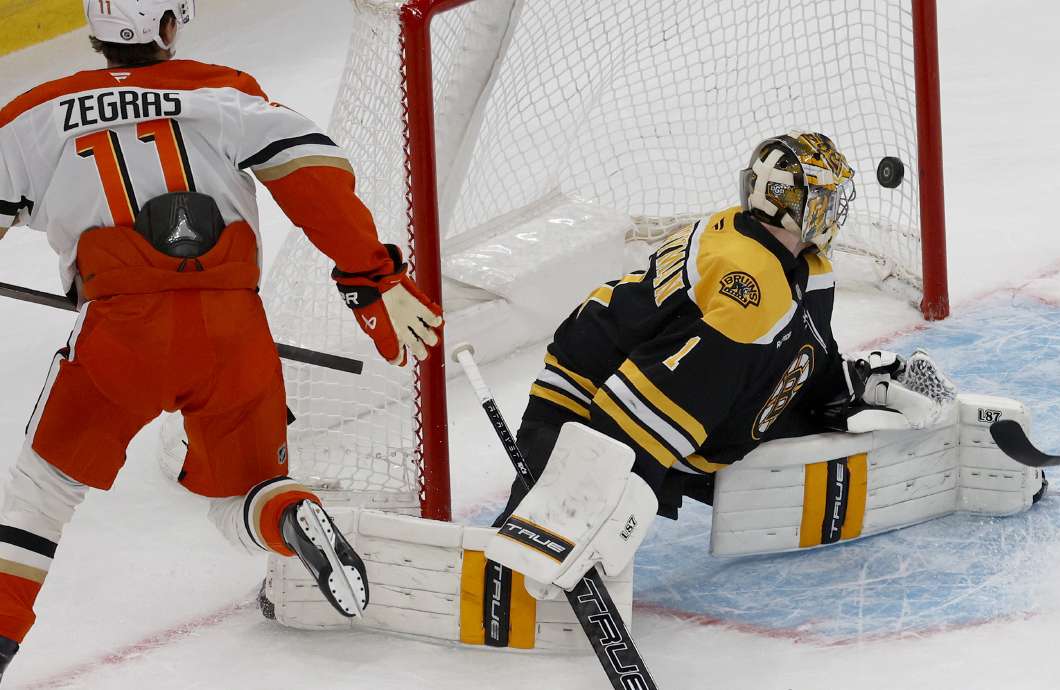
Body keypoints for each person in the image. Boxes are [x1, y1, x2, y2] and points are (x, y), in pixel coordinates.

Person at [0, 0, 443, 678]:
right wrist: (372, 281)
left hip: (119, 335)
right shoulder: (224, 93)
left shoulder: (29, 116)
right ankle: (291, 512)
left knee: (41, 494)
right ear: (169, 26)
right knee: (244, 489)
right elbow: (313, 179)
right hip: (232, 327)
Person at [492, 130, 949, 527]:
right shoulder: (752, 284)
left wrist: (843, 385)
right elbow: (650, 403)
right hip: (587, 394)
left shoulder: (799, 265)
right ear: (795, 206)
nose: (835, 212)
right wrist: (598, 505)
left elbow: (782, 352)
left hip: (660, 377)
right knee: (558, 511)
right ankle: (525, 543)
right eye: (826, 201)